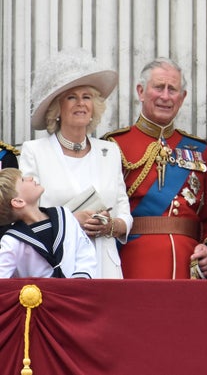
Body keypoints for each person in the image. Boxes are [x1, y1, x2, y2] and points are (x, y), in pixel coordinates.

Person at [103, 57, 207, 279]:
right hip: (131, 263)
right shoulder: (113, 145)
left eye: (173, 89)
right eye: (159, 87)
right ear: (141, 91)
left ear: (183, 97)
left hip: (187, 266)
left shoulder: (200, 149)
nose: (165, 96)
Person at [20, 48, 131, 279]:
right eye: (71, 97)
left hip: (106, 267)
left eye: (86, 97)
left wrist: (111, 226)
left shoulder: (108, 151)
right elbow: (27, 214)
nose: (80, 104)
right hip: (59, 263)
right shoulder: (35, 151)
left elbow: (124, 212)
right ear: (57, 109)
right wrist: (69, 221)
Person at [0, 168, 97, 278]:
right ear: (18, 202)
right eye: (22, 180)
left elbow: (84, 252)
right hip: (39, 294)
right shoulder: (13, 240)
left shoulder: (64, 215)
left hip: (77, 291)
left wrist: (80, 279)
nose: (30, 178)